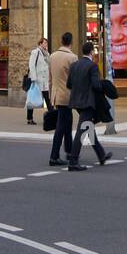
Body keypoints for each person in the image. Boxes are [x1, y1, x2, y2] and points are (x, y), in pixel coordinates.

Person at [66, 41, 112, 171]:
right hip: (88, 102)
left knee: (88, 127)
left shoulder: (74, 65)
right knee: (82, 130)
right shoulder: (92, 66)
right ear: (91, 51)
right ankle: (73, 160)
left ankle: (101, 154)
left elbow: (69, 84)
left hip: (76, 102)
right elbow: (96, 85)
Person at [48, 31, 77, 166]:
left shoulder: (52, 56)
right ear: (71, 42)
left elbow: (50, 78)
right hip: (67, 95)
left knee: (67, 123)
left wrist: (50, 96)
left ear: (61, 41)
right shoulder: (72, 58)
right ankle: (54, 156)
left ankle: (70, 151)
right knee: (61, 127)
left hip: (56, 95)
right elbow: (75, 79)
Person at [26, 36, 51, 124]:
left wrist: (47, 55)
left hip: (44, 81)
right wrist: (33, 79)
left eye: (46, 43)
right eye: (45, 43)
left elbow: (48, 64)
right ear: (40, 44)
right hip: (37, 80)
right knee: (32, 98)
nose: (46, 44)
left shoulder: (46, 53)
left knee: (47, 99)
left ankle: (52, 116)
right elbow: (31, 65)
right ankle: (29, 118)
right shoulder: (35, 52)